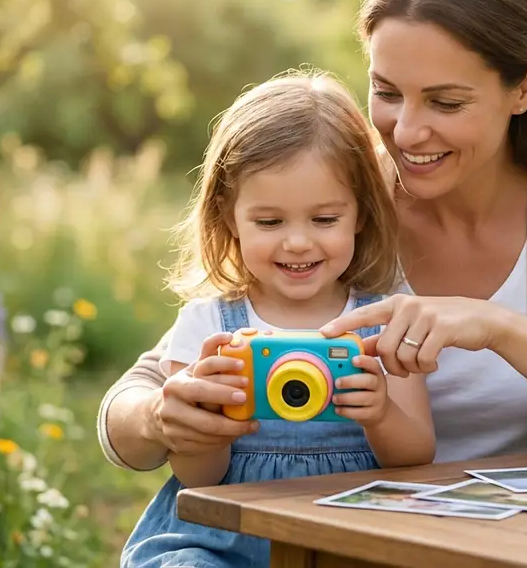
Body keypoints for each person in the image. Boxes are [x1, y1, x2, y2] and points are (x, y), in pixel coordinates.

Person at [98, 0, 527, 486]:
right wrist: (161, 416)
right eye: (387, 92)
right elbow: (141, 396)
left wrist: (501, 328)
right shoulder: (335, 200)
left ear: (524, 88)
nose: (406, 132)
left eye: (446, 103)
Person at [118, 71, 435, 568]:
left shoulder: (382, 316)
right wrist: (211, 423)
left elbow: (417, 456)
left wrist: (381, 415)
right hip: (218, 538)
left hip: (349, 537)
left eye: (325, 219)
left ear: (361, 215)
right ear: (229, 216)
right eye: (269, 222)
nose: (298, 242)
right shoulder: (209, 323)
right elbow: (199, 477)